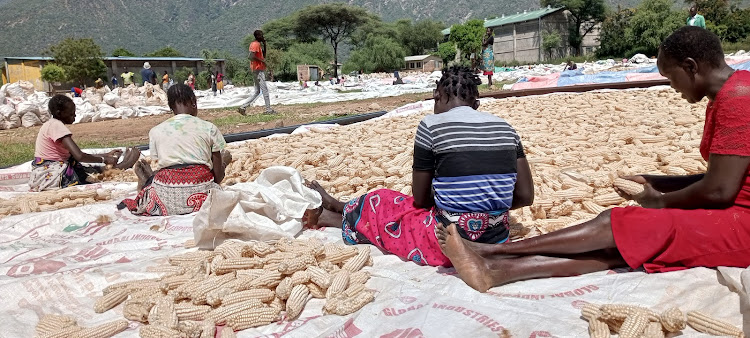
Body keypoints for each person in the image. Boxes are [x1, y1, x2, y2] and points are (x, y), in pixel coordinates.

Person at [434, 27, 750, 293]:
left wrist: (661, 202)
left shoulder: (738, 98)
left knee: (617, 223)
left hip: (742, 226)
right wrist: (657, 182)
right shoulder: (728, 94)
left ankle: (492, 250)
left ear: (692, 66)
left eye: (671, 77)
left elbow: (720, 190)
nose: (672, 87)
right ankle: (496, 271)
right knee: (627, 246)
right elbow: (717, 179)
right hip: (733, 213)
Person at [304, 66, 533, 267]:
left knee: (383, 201)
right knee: (409, 203)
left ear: (437, 96)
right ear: (477, 104)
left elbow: (420, 200)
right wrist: (484, 207)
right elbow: (525, 196)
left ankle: (332, 216)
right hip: (497, 241)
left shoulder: (430, 125)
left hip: (446, 244)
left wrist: (456, 204)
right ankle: (339, 206)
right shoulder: (507, 128)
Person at [119, 84, 226, 216]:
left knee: (155, 179)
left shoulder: (156, 131)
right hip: (203, 200)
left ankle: (145, 183)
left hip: (166, 199)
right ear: (193, 101)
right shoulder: (209, 128)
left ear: (170, 107)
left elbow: (161, 161)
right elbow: (218, 176)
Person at [29, 95, 138, 191]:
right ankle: (121, 167)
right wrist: (105, 159)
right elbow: (79, 156)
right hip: (52, 174)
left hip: (45, 170)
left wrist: (106, 154)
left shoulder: (51, 124)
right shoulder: (57, 126)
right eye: (71, 114)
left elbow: (75, 155)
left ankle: (118, 166)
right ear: (59, 113)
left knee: (89, 168)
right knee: (88, 173)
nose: (74, 116)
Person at [238, 30, 275, 115]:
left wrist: (265, 45)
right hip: (258, 69)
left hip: (256, 69)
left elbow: (263, 56)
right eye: (261, 35)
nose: (263, 37)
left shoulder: (256, 44)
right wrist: (262, 61)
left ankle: (243, 107)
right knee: (264, 90)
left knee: (257, 91)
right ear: (257, 36)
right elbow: (251, 56)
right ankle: (268, 110)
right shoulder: (255, 44)